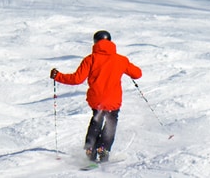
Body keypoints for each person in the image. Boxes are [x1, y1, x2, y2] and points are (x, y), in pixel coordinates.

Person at [50, 30, 142, 165]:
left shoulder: (90, 59)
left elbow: (76, 79)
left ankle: (89, 151)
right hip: (113, 100)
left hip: (97, 99)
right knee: (110, 123)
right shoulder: (121, 59)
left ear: (95, 42)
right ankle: (103, 151)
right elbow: (138, 74)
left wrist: (58, 76)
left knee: (96, 121)